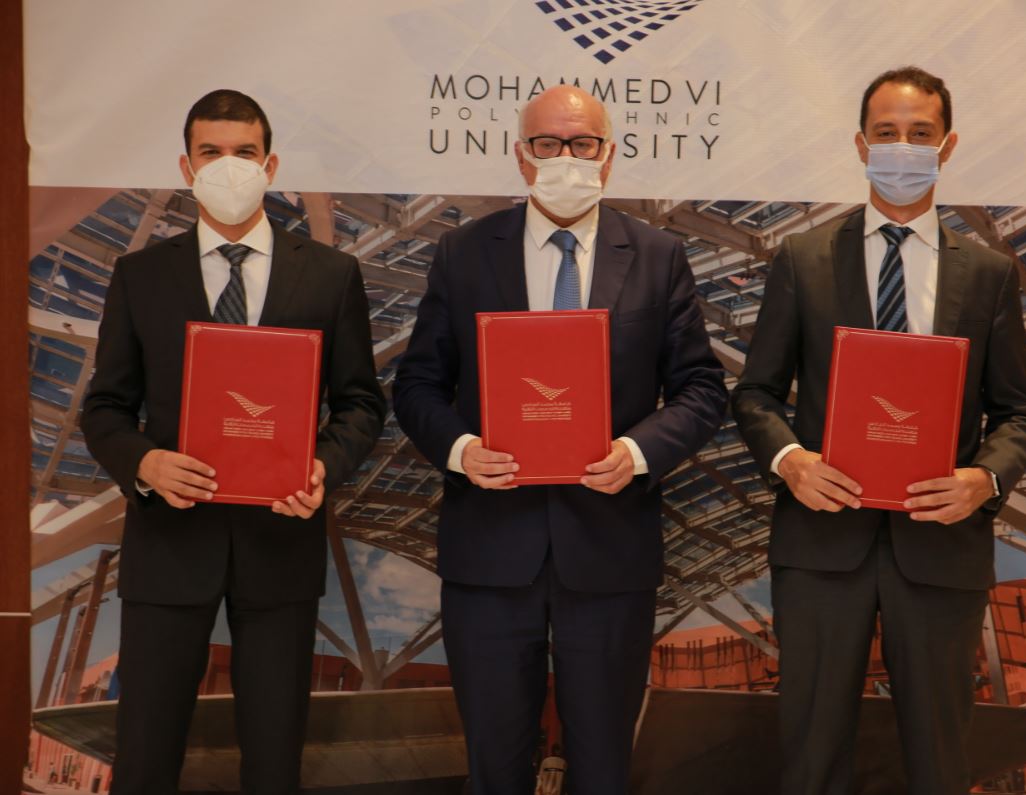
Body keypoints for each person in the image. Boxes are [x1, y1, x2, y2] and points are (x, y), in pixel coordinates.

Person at [393, 85, 727, 795]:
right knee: (494, 766)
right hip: (489, 551)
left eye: (582, 143)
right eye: (547, 144)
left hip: (609, 550)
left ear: (608, 156)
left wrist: (637, 453)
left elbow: (701, 388)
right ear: (522, 157)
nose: (565, 157)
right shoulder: (462, 253)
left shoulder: (658, 255)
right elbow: (418, 384)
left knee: (603, 766)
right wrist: (461, 451)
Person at [731, 67, 1026, 795]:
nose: (903, 147)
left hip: (941, 547)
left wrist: (984, 478)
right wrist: (791, 460)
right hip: (820, 545)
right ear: (861, 144)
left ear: (948, 145)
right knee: (811, 754)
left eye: (920, 133)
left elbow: (1019, 412)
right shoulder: (803, 259)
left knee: (939, 759)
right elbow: (755, 393)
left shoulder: (990, 273)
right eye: (886, 133)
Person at [81, 89, 387, 795]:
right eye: (211, 152)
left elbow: (361, 402)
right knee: (145, 758)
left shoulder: (331, 274)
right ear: (186, 166)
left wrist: (323, 465)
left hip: (281, 547)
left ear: (270, 164)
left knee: (275, 761)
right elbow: (105, 407)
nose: (229, 166)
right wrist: (145, 462)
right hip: (168, 547)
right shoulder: (140, 276)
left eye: (244, 152)